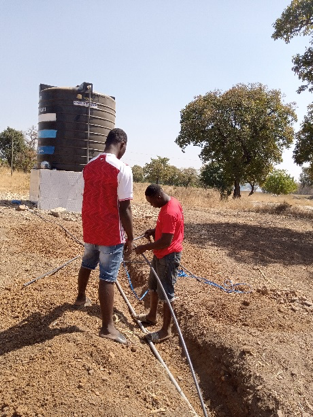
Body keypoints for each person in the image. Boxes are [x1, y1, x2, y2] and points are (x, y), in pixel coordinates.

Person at [74, 128, 134, 345]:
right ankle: (107, 327)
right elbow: (125, 207)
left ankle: (80, 297)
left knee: (87, 262)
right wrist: (131, 236)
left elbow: (86, 196)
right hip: (110, 232)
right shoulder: (122, 169)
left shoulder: (88, 166)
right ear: (122, 144)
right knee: (107, 277)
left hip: (91, 227)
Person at [135, 184, 184, 343]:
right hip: (160, 255)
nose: (151, 205)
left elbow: (165, 241)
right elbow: (166, 230)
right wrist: (154, 231)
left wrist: (145, 247)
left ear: (158, 197)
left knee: (166, 293)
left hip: (168, 257)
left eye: (151, 202)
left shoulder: (170, 211)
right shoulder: (169, 203)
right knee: (153, 286)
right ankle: (151, 316)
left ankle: (166, 330)